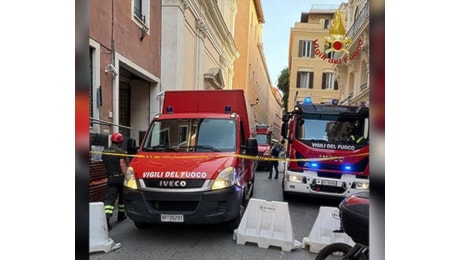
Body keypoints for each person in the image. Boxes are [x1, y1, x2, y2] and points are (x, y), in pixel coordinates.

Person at [102, 132, 128, 231]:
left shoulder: (105, 151)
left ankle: (106, 219)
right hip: (120, 177)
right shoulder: (121, 151)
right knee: (122, 197)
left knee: (109, 200)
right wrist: (126, 176)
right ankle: (121, 215)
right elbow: (122, 164)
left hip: (111, 178)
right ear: (120, 141)